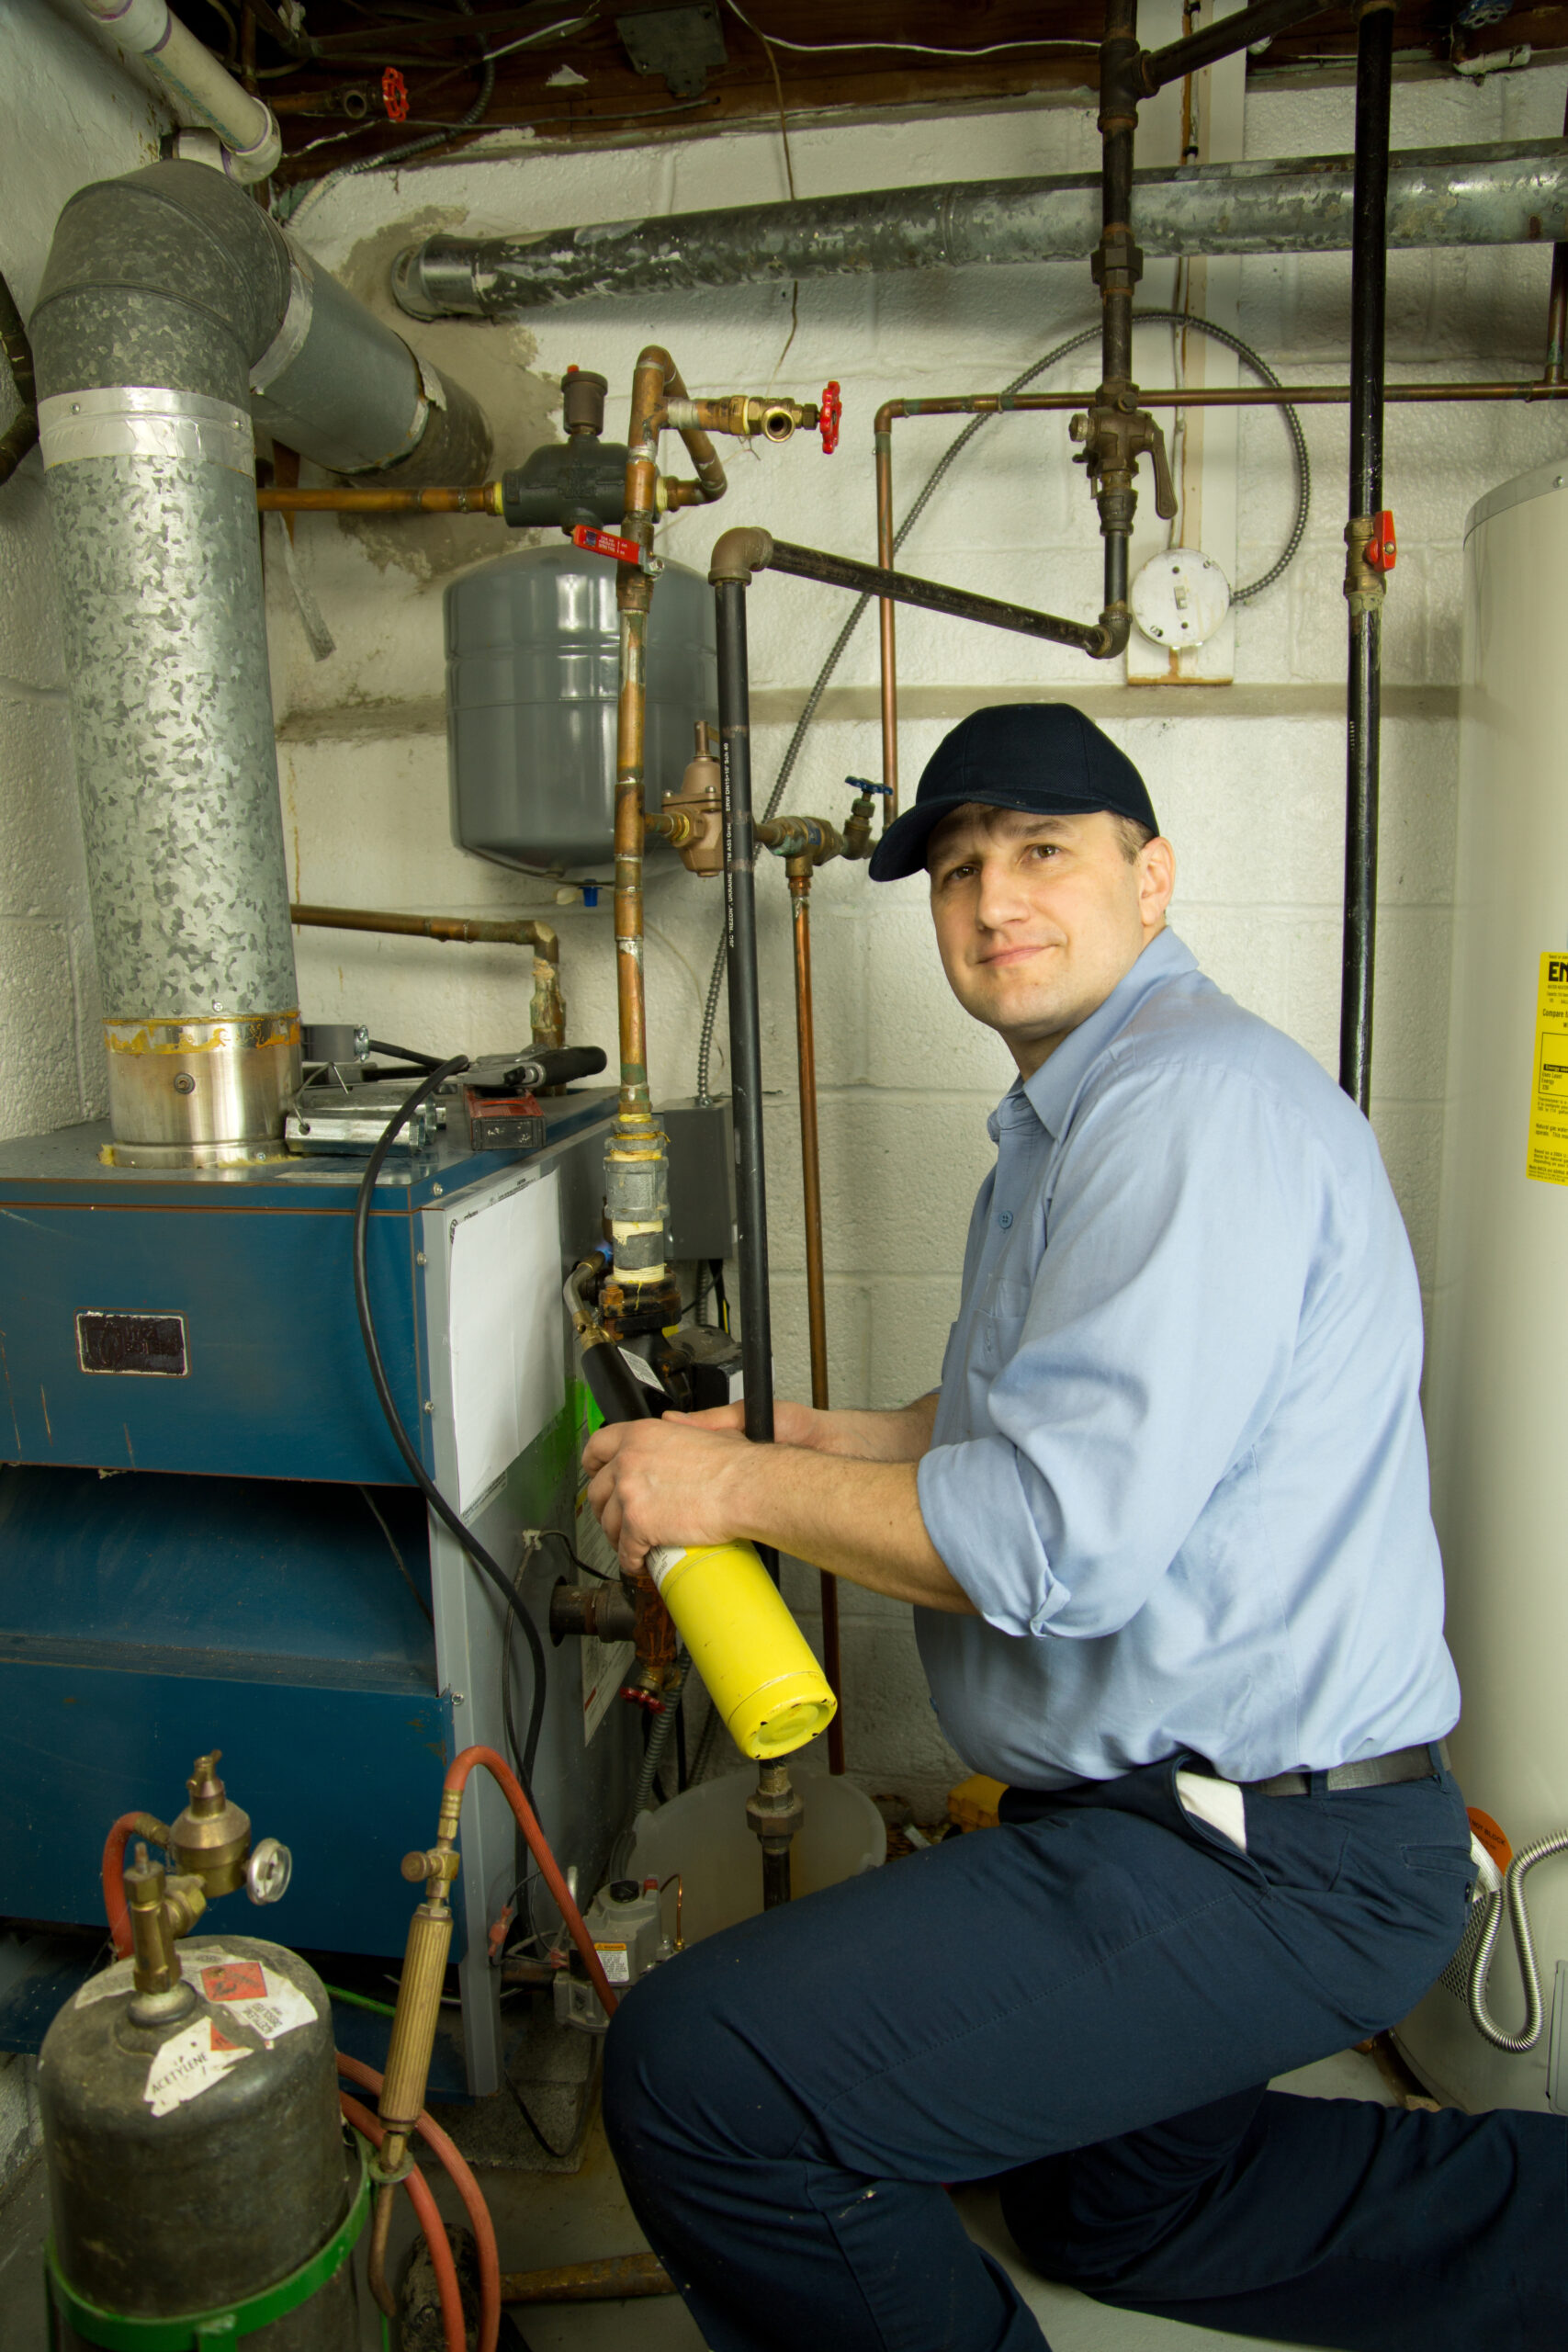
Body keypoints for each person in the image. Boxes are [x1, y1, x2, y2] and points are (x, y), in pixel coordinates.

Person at [581, 703, 1563, 2352]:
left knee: (697, 2080)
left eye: (1042, 851)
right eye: (959, 870)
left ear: (1153, 875)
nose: (990, 902)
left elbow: (1050, 1542)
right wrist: (770, 1436)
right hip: (1183, 1816)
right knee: (1114, 2203)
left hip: (1269, 1855)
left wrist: (731, 1492)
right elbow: (1005, 1435)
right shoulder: (1079, 1122)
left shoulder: (1186, 1112)